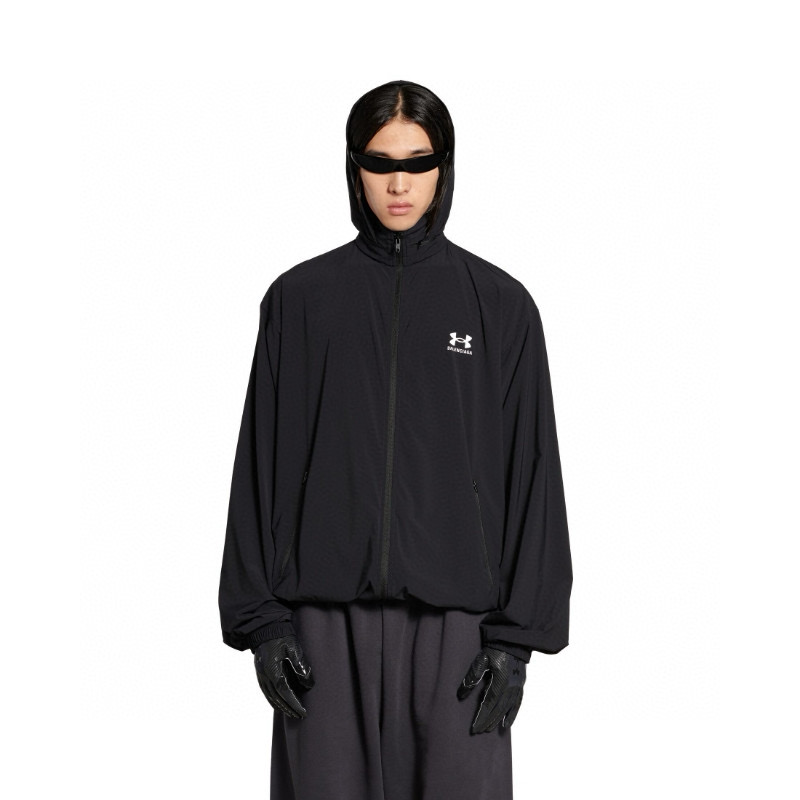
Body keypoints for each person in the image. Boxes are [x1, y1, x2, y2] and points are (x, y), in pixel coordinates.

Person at [218, 79, 573, 800]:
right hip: (322, 630)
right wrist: (264, 624)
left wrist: (516, 642)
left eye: (418, 163)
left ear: (445, 167)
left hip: (459, 634)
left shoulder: (499, 306)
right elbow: (259, 466)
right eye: (381, 163)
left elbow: (534, 470)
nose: (399, 184)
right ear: (355, 168)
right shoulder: (300, 300)